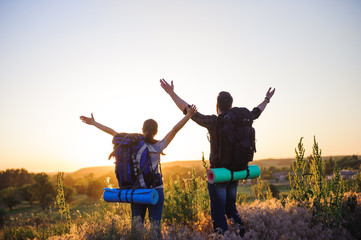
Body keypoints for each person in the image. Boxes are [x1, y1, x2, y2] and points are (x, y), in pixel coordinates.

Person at [160, 78, 275, 237]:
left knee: (218, 212)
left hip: (219, 174)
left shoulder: (214, 121)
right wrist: (267, 99)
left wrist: (171, 93)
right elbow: (257, 111)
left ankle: (224, 236)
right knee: (231, 208)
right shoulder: (244, 117)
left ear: (217, 106)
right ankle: (242, 234)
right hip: (236, 172)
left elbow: (189, 111)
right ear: (231, 105)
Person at [80, 104, 197, 238]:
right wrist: (188, 115)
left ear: (142, 130)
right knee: (155, 229)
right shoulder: (158, 147)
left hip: (137, 191)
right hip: (155, 190)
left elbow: (112, 132)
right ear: (156, 132)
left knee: (136, 229)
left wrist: (94, 123)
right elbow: (174, 130)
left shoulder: (131, 145)